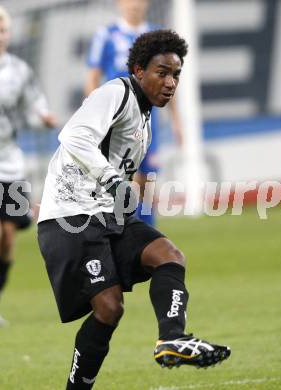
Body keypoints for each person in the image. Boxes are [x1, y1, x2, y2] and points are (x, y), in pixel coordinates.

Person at [37, 29, 230, 389]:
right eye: (162, 72)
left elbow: (125, 175)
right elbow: (74, 136)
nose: (170, 82)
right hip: (69, 216)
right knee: (109, 308)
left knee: (168, 255)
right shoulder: (116, 92)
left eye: (176, 74)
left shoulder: (145, 121)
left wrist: (127, 199)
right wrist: (114, 182)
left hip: (108, 215)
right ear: (139, 70)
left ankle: (172, 337)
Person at [0, 4, 56, 325]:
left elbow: (35, 102)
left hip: (10, 166)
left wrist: (43, 116)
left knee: (9, 240)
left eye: (2, 31)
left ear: (8, 35)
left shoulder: (20, 71)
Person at [85, 0, 183, 226]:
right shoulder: (106, 35)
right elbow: (92, 78)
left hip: (149, 122)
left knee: (147, 183)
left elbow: (168, 82)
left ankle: (147, 237)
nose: (134, 4)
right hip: (118, 122)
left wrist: (177, 120)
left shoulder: (157, 38)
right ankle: (124, 237)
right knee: (122, 181)